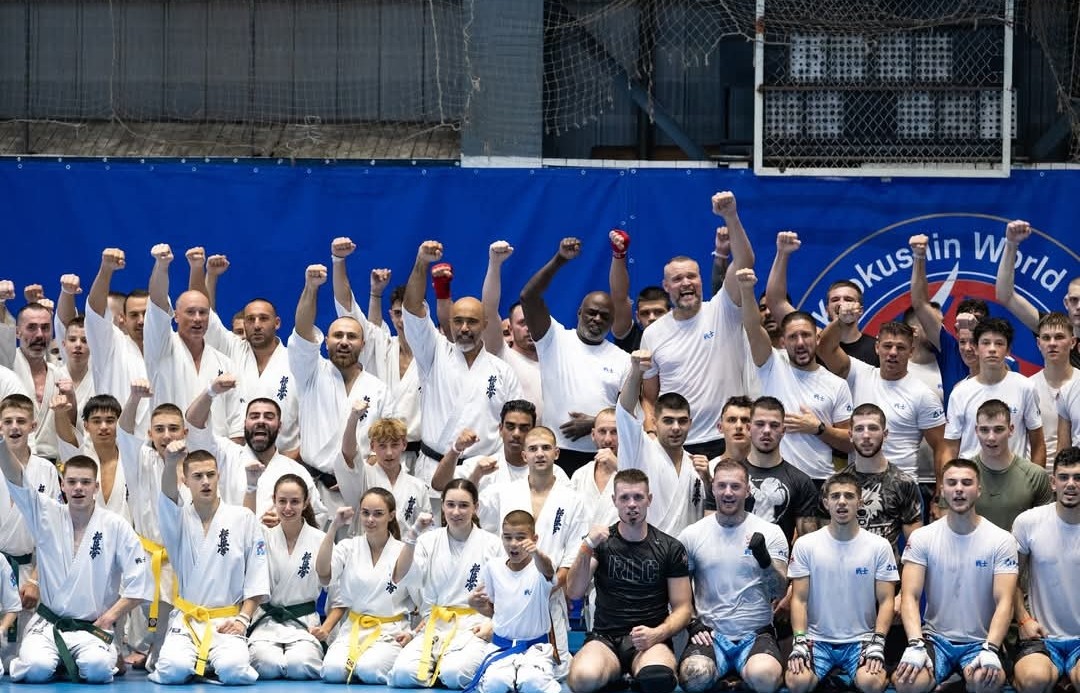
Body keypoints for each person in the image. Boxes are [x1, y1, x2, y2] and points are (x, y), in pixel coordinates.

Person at [0, 448, 152, 683]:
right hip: (49, 624)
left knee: (97, 669)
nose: (78, 487)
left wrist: (108, 618)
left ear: (96, 487)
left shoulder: (115, 526)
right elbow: (16, 479)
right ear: (62, 486)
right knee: (35, 669)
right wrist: (1, 442)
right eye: (72, 481)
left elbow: (140, 583)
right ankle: (58, 659)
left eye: (85, 482)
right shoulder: (46, 514)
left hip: (92, 627)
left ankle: (88, 658)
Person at [640, 191, 756, 460]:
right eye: (677, 279)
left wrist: (730, 216)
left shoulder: (722, 308)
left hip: (726, 440)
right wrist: (651, 430)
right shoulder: (653, 333)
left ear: (701, 279)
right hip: (676, 445)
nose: (686, 283)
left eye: (692, 276)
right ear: (666, 286)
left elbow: (745, 262)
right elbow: (648, 397)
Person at [402, 241, 523, 494]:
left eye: (472, 322)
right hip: (432, 468)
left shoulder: (502, 371)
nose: (464, 328)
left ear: (485, 324)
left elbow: (516, 423)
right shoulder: (433, 353)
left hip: (484, 472)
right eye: (458, 321)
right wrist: (421, 262)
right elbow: (413, 309)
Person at [892, 459, 1018, 693]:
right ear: (942, 490)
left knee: (984, 683)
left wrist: (991, 647)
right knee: (907, 683)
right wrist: (915, 644)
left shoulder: (1001, 540)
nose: (959, 488)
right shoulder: (922, 538)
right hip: (935, 639)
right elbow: (910, 596)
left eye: (967, 482)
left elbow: (1005, 602)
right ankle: (951, 681)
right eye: (952, 482)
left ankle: (956, 683)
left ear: (978, 490)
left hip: (981, 641)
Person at [149, 445, 270, 685]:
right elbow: (167, 495)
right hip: (187, 620)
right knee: (172, 670)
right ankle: (201, 665)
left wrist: (243, 620)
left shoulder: (242, 518)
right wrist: (171, 462)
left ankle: (205, 666)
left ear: (218, 476)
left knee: (235, 671)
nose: (206, 482)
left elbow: (256, 574)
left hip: (226, 621)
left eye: (210, 475)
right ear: (185, 480)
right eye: (197, 476)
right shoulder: (177, 519)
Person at [566, 468, 692, 693]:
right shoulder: (601, 544)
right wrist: (586, 546)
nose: (631, 504)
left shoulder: (670, 547)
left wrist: (658, 634)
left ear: (649, 500)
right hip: (605, 638)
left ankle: (630, 676)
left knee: (658, 679)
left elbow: (683, 608)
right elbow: (574, 592)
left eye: (638, 497)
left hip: (649, 639)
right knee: (583, 678)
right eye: (624, 497)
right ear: (614, 501)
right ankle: (616, 674)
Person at [519, 237, 631, 475]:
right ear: (579, 312)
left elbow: (633, 414)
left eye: (604, 316)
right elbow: (528, 297)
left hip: (604, 456)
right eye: (591, 313)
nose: (597, 319)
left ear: (612, 322)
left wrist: (595, 423)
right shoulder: (554, 339)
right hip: (555, 454)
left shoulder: (622, 360)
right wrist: (560, 259)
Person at [676, 459, 789, 693]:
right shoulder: (692, 535)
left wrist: (764, 558)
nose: (728, 493)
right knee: (694, 678)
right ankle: (730, 681)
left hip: (755, 632)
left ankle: (739, 679)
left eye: (735, 486)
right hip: (710, 633)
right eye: (722, 486)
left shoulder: (770, 532)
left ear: (747, 490)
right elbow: (679, 590)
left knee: (765, 679)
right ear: (713, 488)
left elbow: (778, 590)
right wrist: (693, 623)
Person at [482, 426, 588, 671]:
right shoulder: (503, 492)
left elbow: (572, 553)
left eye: (546, 448)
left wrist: (549, 586)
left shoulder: (572, 499)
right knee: (502, 671)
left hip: (549, 594)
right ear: (524, 456)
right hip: (511, 594)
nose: (540, 453)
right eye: (533, 449)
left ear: (557, 453)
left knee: (557, 671)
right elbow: (481, 528)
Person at [785, 472, 899, 693]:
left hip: (862, 639)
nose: (842, 502)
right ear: (826, 503)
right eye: (835, 496)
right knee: (797, 684)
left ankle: (843, 679)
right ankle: (837, 679)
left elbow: (886, 601)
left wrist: (878, 642)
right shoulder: (806, 545)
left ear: (860, 501)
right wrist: (799, 640)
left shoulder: (879, 546)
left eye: (849, 496)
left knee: (871, 684)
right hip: (816, 639)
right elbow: (799, 599)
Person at [738, 266, 854, 482]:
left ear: (818, 339)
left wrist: (817, 428)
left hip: (818, 480)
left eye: (806, 336)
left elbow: (849, 441)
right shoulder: (771, 363)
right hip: (772, 477)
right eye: (793, 337)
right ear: (783, 342)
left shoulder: (837, 384)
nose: (800, 343)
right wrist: (746, 290)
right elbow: (753, 328)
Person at [289, 262, 388, 507]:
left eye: (352, 336)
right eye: (338, 336)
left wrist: (358, 474)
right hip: (314, 488)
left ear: (363, 345)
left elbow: (384, 443)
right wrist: (311, 288)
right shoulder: (311, 372)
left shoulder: (378, 388)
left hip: (360, 491)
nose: (344, 342)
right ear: (324, 342)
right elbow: (302, 330)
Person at [389, 479, 504, 689]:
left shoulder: (493, 544)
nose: (456, 512)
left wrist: (493, 624)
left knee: (455, 675)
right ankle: (438, 665)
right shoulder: (427, 541)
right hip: (435, 626)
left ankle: (461, 665)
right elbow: (401, 574)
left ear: (476, 508)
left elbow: (507, 593)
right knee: (403, 675)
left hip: (473, 627)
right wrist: (413, 534)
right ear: (442, 505)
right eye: (450, 504)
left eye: (464, 505)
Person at [188, 249, 302, 458]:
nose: (256, 325)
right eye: (250, 320)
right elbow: (202, 310)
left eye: (263, 319)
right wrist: (202, 271)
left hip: (285, 460)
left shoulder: (295, 360)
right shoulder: (232, 349)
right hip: (235, 459)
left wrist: (290, 461)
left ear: (277, 323)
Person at [317, 488, 431, 684]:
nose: (370, 519)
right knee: (332, 672)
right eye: (365, 513)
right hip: (353, 628)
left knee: (370, 670)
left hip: (390, 632)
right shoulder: (348, 547)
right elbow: (323, 573)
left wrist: (413, 633)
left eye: (378, 514)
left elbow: (426, 605)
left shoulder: (404, 551)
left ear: (391, 515)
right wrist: (334, 527)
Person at [186, 373, 327, 525]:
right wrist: (210, 391)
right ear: (244, 424)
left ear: (280, 426)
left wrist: (289, 520)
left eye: (268, 416)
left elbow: (318, 517)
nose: (261, 421)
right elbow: (194, 427)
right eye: (254, 416)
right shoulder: (226, 455)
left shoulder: (295, 471)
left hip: (278, 548)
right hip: (231, 545)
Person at [818, 317, 947, 482]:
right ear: (877, 347)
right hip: (859, 486)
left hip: (903, 489)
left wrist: (940, 495)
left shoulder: (923, 395)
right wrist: (840, 321)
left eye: (900, 347)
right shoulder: (858, 374)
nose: (893, 352)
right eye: (887, 346)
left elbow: (942, 446)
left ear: (911, 351)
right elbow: (824, 349)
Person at [331, 238, 423, 463]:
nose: (404, 320)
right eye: (398, 313)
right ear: (391, 316)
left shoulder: (434, 353)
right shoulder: (381, 344)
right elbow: (347, 306)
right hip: (377, 455)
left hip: (420, 455)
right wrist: (338, 260)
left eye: (409, 313)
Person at [117, 381, 186, 670]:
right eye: (159, 429)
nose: (166, 435)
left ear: (186, 432)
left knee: (176, 640)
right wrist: (133, 398)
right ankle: (150, 651)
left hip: (185, 559)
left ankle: (161, 653)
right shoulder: (139, 459)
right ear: (149, 434)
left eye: (173, 428)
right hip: (149, 557)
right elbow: (123, 431)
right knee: (157, 636)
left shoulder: (197, 463)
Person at [145, 243, 243, 440]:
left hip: (214, 459)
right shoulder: (161, 347)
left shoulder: (225, 363)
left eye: (203, 313)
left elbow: (236, 426)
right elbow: (157, 302)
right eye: (190, 312)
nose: (197, 318)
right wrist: (161, 266)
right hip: (170, 450)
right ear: (176, 317)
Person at [464, 509, 561, 693]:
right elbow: (495, 611)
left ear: (534, 538)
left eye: (521, 538)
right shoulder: (493, 567)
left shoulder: (541, 567)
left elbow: (548, 571)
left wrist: (537, 553)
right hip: (501, 646)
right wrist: (473, 603)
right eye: (508, 537)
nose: (513, 544)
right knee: (495, 685)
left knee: (532, 683)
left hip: (535, 648)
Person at [1011, 445, 1080, 693]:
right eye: (1064, 477)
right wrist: (1024, 618)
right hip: (1041, 638)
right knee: (1034, 680)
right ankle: (1058, 680)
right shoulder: (1029, 522)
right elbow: (1011, 580)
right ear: (1053, 482)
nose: (1071, 484)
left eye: (1078, 477)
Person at [618, 350, 710, 536]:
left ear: (690, 423)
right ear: (654, 422)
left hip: (686, 557)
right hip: (645, 554)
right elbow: (625, 410)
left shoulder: (697, 465)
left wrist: (708, 480)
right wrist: (637, 372)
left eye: (682, 421)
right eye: (668, 421)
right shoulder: (640, 448)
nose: (676, 427)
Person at [246, 474, 326, 680]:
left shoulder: (320, 540)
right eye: (282, 501)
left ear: (306, 502)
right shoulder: (263, 536)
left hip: (304, 622)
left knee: (300, 665)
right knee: (266, 664)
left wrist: (326, 629)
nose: (288, 508)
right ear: (274, 500)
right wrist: (251, 485)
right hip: (267, 622)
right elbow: (246, 521)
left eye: (295, 501)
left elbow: (336, 591)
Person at [944, 318, 1046, 468]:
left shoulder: (1026, 387)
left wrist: (1036, 483)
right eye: (985, 343)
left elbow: (1038, 443)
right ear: (976, 348)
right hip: (971, 480)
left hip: (1014, 478)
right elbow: (950, 448)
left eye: (999, 343)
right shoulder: (959, 392)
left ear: (1008, 350)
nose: (992, 349)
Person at [765, 232, 878, 366]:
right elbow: (776, 302)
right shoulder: (814, 341)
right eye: (835, 300)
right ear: (826, 310)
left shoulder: (877, 349)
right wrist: (782, 253)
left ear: (860, 310)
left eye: (848, 299)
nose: (841, 304)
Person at [432, 400, 568, 496]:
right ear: (500, 429)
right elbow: (439, 485)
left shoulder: (555, 473)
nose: (516, 434)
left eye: (524, 428)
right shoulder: (481, 465)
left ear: (532, 431)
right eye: (510, 426)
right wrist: (456, 449)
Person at [994, 220, 1080, 369]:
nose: (1079, 306)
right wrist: (1011, 244)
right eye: (1074, 300)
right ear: (1066, 302)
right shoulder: (1052, 328)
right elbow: (1005, 296)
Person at [83, 249, 151, 434]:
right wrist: (106, 270)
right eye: (134, 315)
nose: (141, 321)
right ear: (122, 318)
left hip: (160, 444)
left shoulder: (171, 347)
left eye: (146, 314)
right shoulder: (111, 344)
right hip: (115, 441)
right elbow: (95, 312)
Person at [843, 404, 923, 558]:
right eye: (859, 429)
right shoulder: (836, 484)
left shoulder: (903, 483)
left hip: (888, 574)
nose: (866, 435)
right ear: (850, 435)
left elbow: (915, 547)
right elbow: (825, 540)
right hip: (844, 571)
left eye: (873, 428)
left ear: (885, 434)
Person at [959, 399, 1052, 531]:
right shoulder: (961, 475)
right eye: (984, 430)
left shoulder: (1035, 475)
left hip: (1019, 550)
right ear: (976, 431)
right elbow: (949, 523)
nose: (991, 437)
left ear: (1011, 430)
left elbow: (1045, 528)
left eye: (998, 430)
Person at [742, 396, 819, 546]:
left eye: (774, 425)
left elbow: (808, 544)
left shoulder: (800, 481)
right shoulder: (730, 477)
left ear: (783, 430)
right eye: (760, 424)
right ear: (748, 428)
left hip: (779, 564)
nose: (766, 431)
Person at [480, 241, 543, 419]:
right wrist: (495, 264)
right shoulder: (501, 354)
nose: (530, 328)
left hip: (545, 442)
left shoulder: (554, 360)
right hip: (510, 443)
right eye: (523, 323)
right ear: (510, 328)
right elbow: (489, 311)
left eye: (533, 321)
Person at [0, 302, 69, 461]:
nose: (39, 335)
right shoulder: (6, 367)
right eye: (31, 327)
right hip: (11, 461)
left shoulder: (60, 375)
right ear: (17, 332)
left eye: (45, 328)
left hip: (53, 466)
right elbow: (3, 336)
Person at [340, 415, 429, 527]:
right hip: (367, 543)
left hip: (405, 543)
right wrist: (353, 419)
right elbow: (348, 455)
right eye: (382, 446)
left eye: (394, 445)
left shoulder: (418, 487)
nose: (389, 453)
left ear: (404, 445)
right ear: (372, 446)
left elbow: (426, 530)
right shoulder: (364, 476)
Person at [609, 226, 672, 354]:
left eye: (659, 312)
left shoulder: (684, 338)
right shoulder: (630, 338)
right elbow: (619, 297)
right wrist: (619, 254)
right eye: (645, 313)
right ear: (637, 317)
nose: (652, 318)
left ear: (670, 313)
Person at [1027, 312, 1077, 463]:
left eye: (1059, 337)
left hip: (1073, 478)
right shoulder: (1027, 387)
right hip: (1034, 478)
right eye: (1046, 338)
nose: (1052, 343)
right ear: (1038, 343)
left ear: (1073, 342)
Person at [570, 407, 620, 527]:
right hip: (584, 542)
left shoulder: (637, 470)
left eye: (614, 432)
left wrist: (618, 466)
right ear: (593, 435)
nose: (608, 439)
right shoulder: (580, 475)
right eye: (602, 431)